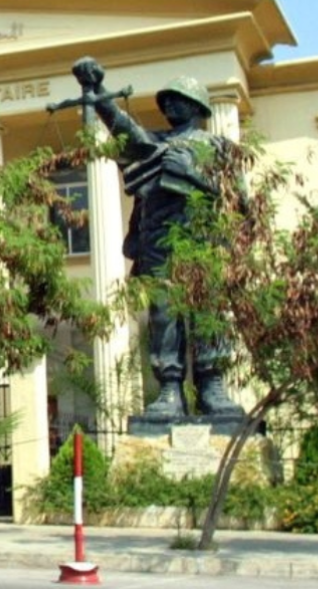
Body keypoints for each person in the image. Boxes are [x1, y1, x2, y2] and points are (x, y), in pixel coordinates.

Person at [69, 57, 245, 419]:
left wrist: (192, 175)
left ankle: (213, 388)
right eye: (166, 101)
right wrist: (96, 91)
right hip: (159, 247)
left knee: (208, 315)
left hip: (204, 247)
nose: (169, 106)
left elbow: (238, 202)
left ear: (197, 105)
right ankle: (169, 390)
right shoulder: (155, 143)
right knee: (164, 317)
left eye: (178, 99)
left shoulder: (218, 147)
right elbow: (124, 129)